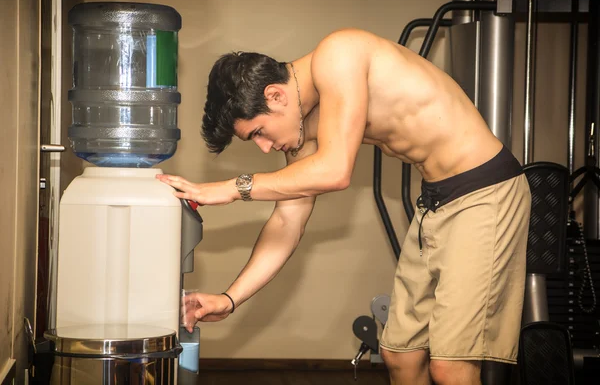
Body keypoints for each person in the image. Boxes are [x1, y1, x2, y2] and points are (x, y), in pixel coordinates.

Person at [156, 28, 531, 385]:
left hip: (484, 192)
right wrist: (228, 298)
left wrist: (232, 188)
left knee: (450, 367)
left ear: (275, 96)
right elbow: (288, 220)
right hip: (435, 202)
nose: (265, 148)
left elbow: (336, 171)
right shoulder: (303, 132)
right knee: (400, 355)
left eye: (258, 133)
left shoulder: (339, 53)